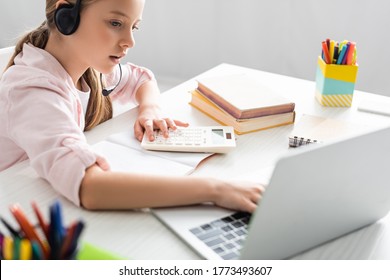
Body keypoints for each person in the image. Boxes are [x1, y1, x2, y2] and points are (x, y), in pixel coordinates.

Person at [0, 0, 263, 212]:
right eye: (116, 23)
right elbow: (90, 187)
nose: (130, 41)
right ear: (66, 16)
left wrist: (150, 109)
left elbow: (141, 78)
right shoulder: (34, 91)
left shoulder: (83, 66)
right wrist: (216, 190)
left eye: (134, 27)